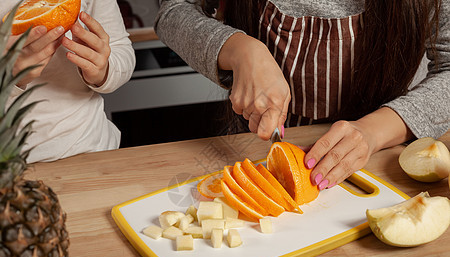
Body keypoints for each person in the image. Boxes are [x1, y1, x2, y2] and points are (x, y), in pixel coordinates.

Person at [155, 0, 450, 190]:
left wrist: (372, 132)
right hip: (253, 150)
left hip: (383, 161)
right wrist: (236, 48)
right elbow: (173, 9)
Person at [1, 0, 136, 163]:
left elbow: (120, 47)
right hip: (10, 166)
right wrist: (8, 79)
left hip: (92, 148)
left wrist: (102, 69)